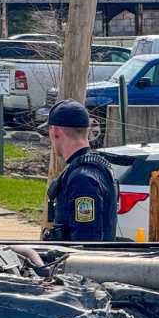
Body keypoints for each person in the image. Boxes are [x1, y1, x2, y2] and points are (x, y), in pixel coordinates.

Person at [39, 100, 117, 241]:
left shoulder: (82, 179)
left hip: (81, 262)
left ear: (55, 131)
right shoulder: (92, 168)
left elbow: (85, 241)